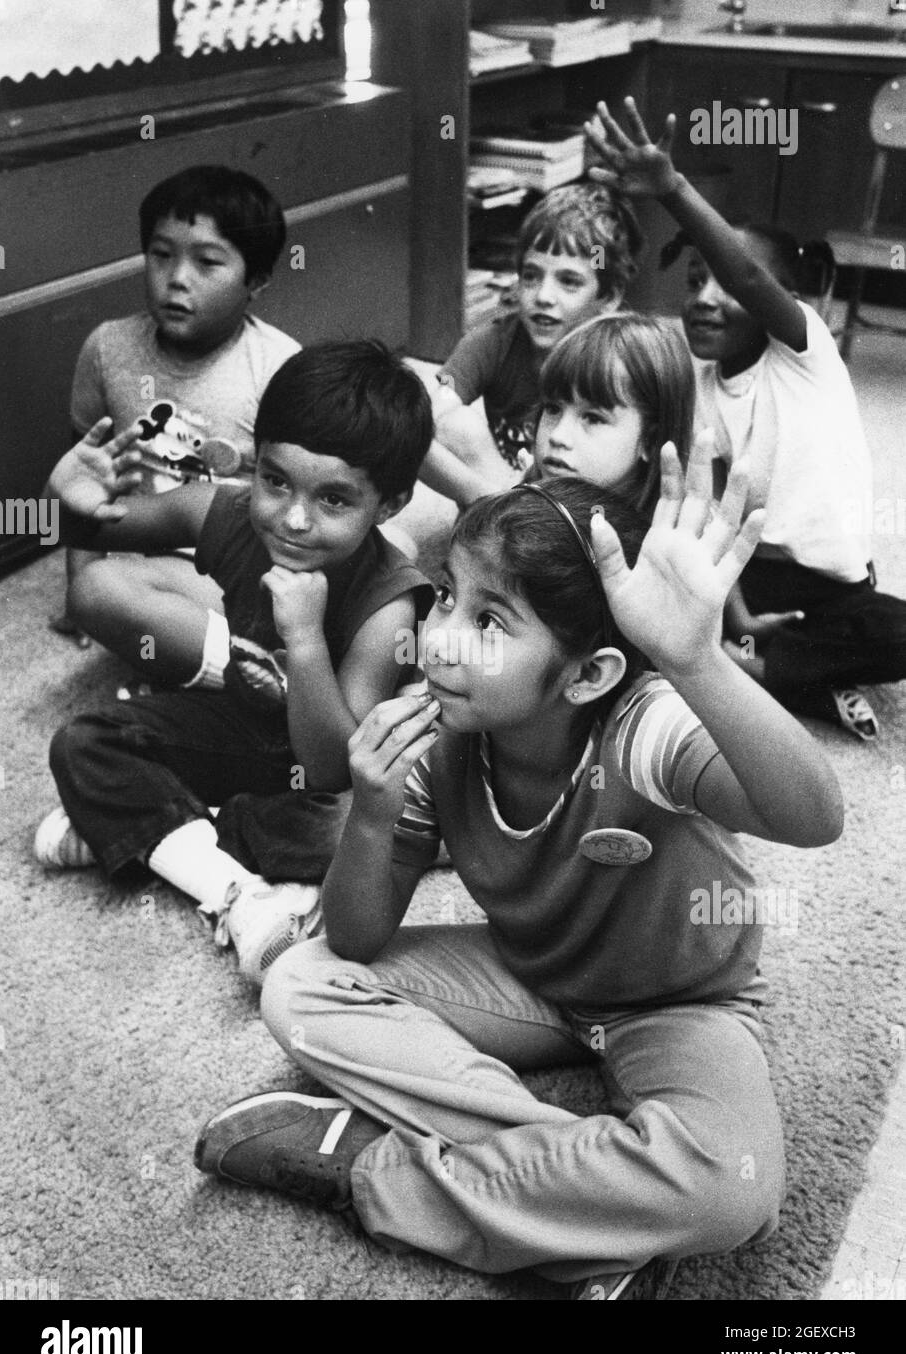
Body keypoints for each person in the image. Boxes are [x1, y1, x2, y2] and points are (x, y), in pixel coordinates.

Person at [194, 452, 843, 1299]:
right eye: (445, 599)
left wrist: (697, 663)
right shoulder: (441, 737)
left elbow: (815, 818)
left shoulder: (640, 728)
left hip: (678, 1000)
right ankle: (594, 1203)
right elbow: (355, 938)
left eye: (489, 622)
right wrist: (374, 812)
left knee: (736, 1187)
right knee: (299, 985)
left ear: (587, 675)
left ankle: (372, 1169)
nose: (439, 638)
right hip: (528, 979)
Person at [35, 342, 434, 985]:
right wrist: (64, 499)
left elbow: (331, 768)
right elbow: (92, 529)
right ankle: (241, 894)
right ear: (254, 464)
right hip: (253, 718)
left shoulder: (390, 602)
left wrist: (304, 643)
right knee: (85, 743)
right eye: (275, 481)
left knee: (352, 836)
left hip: (334, 764)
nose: (294, 519)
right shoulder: (224, 511)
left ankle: (158, 832)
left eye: (334, 500)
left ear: (388, 505)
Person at [584, 96, 906, 740]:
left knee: (897, 632)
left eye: (723, 282)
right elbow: (711, 511)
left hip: (830, 584)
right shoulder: (696, 383)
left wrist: (672, 189)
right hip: (751, 576)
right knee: (632, 562)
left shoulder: (805, 350)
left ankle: (752, 671)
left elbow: (754, 278)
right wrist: (737, 613)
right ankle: (768, 668)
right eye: (695, 279)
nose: (705, 298)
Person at [51, 164, 299, 688]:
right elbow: (86, 482)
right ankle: (252, 678)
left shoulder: (280, 367)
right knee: (95, 592)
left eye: (208, 262)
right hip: (154, 561)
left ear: (255, 281)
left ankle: (262, 680)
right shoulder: (107, 349)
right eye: (161, 255)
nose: (177, 278)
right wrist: (81, 593)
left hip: (243, 570)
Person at [421, 183, 644, 509]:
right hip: (504, 489)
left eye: (568, 281)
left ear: (608, 296)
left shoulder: (621, 359)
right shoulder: (494, 341)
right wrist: (482, 494)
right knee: (448, 424)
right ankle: (509, 512)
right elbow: (418, 422)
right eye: (531, 276)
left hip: (587, 504)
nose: (542, 296)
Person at [520, 310, 695, 519]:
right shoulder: (524, 502)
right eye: (553, 409)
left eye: (594, 418)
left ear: (650, 441)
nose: (557, 436)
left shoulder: (661, 540)